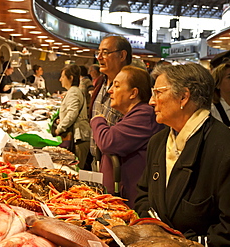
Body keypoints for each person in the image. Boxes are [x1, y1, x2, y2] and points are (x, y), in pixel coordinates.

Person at [135, 63, 230, 246]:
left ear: (183, 97)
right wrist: (156, 232)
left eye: (158, 92)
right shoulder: (157, 142)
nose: (151, 101)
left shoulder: (228, 153)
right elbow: (143, 194)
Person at [90, 65, 162, 208]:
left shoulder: (144, 115)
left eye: (116, 86)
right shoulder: (131, 115)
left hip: (132, 205)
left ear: (133, 93)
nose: (110, 91)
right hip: (119, 201)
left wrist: (97, 120)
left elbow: (107, 142)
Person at [89, 34, 133, 171]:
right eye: (99, 52)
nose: (99, 57)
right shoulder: (101, 83)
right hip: (96, 162)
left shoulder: (132, 88)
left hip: (118, 167)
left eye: (106, 52)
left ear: (122, 55)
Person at [56, 64, 91, 169]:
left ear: (70, 78)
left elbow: (73, 113)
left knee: (75, 170)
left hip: (79, 138)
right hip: (78, 137)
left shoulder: (73, 92)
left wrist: (60, 128)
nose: (60, 79)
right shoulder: (74, 91)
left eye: (62, 76)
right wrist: (61, 120)